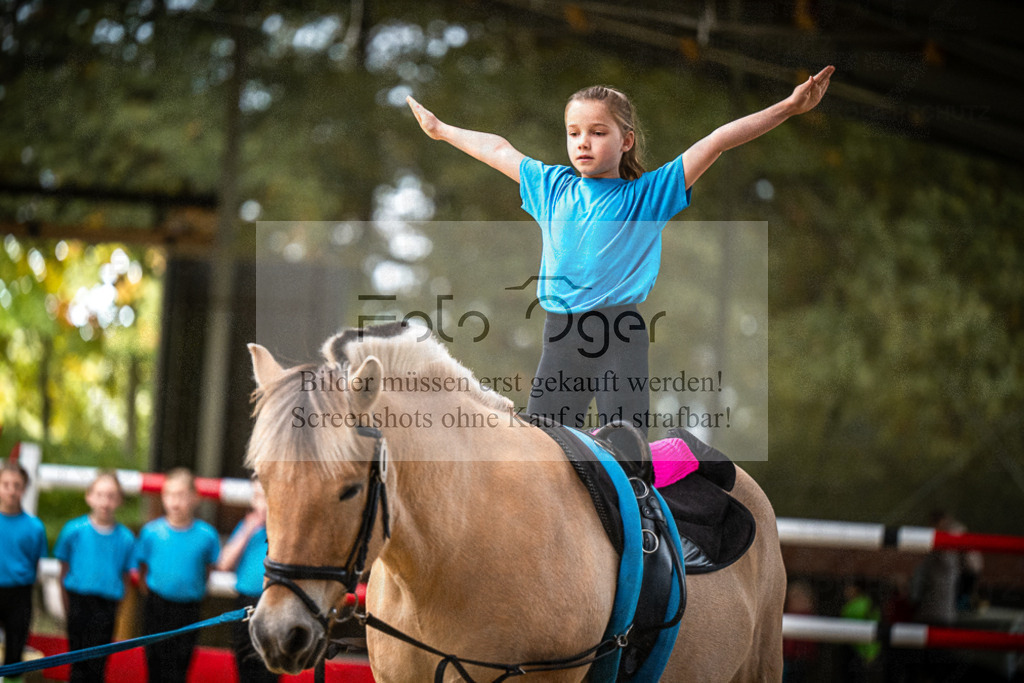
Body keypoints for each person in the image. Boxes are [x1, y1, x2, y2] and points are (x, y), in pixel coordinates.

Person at [407, 66, 834, 437]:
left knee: (626, 448)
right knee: (541, 448)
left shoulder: (650, 195)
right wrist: (440, 130)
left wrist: (788, 108)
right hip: (561, 335)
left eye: (597, 132)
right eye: (574, 133)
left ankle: (645, 523)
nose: (583, 143)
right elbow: (498, 148)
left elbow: (716, 141)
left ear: (626, 141)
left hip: (619, 334)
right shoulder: (551, 187)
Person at [133, 468, 221, 683]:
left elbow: (208, 570)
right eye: (169, 494)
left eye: (181, 495)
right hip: (156, 606)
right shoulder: (151, 532)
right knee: (154, 664)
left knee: (180, 666)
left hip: (188, 608)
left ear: (195, 498)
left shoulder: (207, 535)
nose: (175, 501)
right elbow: (141, 569)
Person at [53, 470, 136, 683]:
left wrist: (118, 605)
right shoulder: (73, 530)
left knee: (98, 665)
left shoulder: (126, 538)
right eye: (99, 494)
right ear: (89, 496)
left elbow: (126, 577)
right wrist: (66, 604)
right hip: (78, 601)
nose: (105, 502)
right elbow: (62, 570)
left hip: (106, 606)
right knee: (77, 661)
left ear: (119, 500)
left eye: (111, 496)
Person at [215, 477, 277, 682]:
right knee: (244, 666)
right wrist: (248, 529)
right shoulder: (247, 527)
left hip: (272, 604)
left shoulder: (283, 531)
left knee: (268, 668)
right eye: (257, 497)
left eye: (267, 497)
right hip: (245, 605)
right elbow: (224, 564)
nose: (261, 504)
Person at [0, 458, 48, 679]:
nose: (11, 490)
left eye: (17, 485)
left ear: (25, 489)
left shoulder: (35, 527)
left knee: (15, 652)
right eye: (6, 484)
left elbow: (36, 562)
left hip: (19, 594)